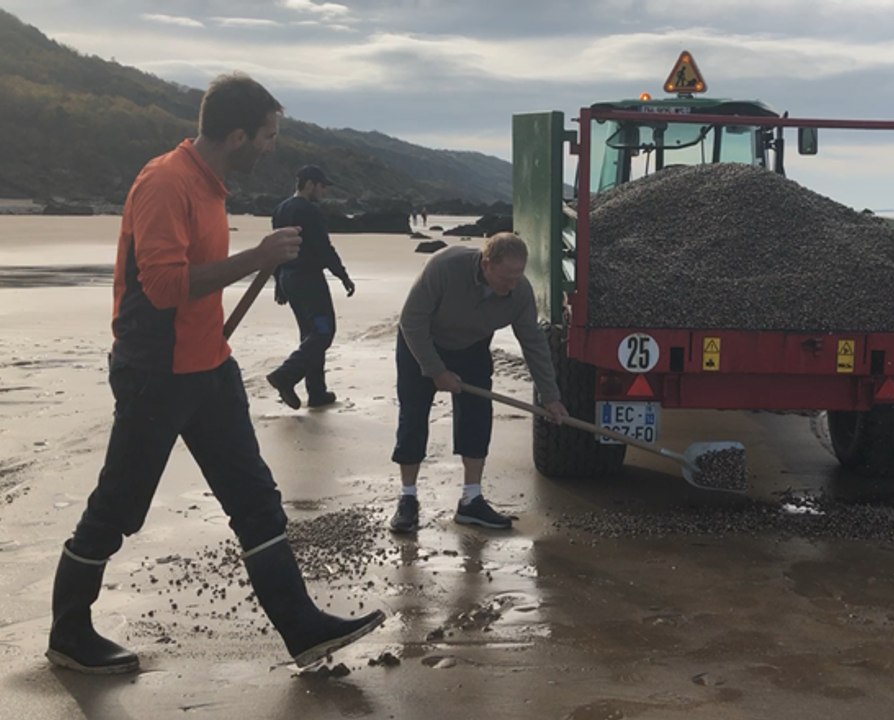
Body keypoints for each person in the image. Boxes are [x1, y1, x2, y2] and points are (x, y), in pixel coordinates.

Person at [46, 73, 384, 675]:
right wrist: (257, 258)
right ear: (237, 135)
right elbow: (165, 285)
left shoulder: (213, 185)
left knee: (256, 500)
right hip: (156, 372)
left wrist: (253, 263)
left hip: (208, 367)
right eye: (268, 136)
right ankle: (69, 634)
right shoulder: (164, 183)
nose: (272, 147)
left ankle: (302, 629)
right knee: (118, 508)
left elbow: (195, 278)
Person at [391, 233, 567, 532]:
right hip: (420, 342)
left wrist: (550, 396)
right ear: (487, 265)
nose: (512, 285)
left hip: (471, 347)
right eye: (506, 277)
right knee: (413, 418)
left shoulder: (519, 292)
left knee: (477, 418)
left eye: (518, 276)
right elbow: (412, 320)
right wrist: (435, 370)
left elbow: (533, 343)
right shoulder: (444, 267)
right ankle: (408, 499)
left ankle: (471, 500)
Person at [266, 165, 355, 410]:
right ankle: (286, 375)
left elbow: (277, 247)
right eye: (322, 186)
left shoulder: (280, 209)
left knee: (310, 333)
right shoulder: (309, 211)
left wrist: (278, 281)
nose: (324, 191)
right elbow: (323, 248)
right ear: (309, 184)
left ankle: (317, 392)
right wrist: (343, 275)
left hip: (289, 277)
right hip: (308, 280)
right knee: (323, 332)